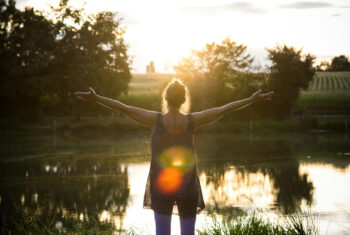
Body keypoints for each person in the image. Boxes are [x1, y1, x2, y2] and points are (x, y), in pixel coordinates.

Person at [74, 79, 273, 235]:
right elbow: (224, 109)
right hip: (188, 186)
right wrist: (251, 99)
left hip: (162, 186)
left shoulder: (155, 120)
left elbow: (123, 107)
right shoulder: (193, 120)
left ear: (166, 98)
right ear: (184, 100)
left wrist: (96, 97)